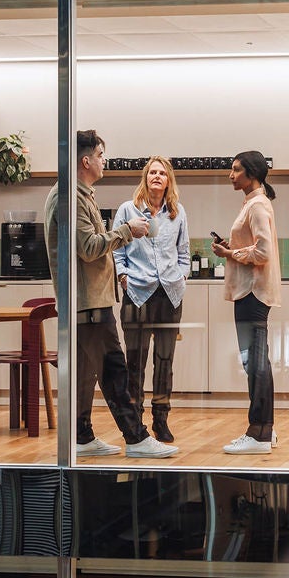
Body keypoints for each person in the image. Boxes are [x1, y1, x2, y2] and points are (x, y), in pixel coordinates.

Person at [45, 131, 177, 459]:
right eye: (101, 155)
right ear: (85, 160)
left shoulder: (79, 194)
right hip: (87, 302)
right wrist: (126, 232)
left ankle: (82, 435)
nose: (105, 160)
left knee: (85, 375)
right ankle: (136, 437)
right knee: (115, 370)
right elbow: (89, 248)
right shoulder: (69, 198)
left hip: (89, 300)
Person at [114, 156, 191, 443]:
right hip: (137, 294)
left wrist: (182, 277)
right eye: (152, 172)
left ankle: (161, 419)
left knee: (165, 360)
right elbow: (117, 250)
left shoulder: (177, 212)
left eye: (162, 173)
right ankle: (135, 423)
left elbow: (184, 252)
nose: (156, 176)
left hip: (170, 295)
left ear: (168, 180)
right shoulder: (127, 210)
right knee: (135, 360)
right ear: (145, 178)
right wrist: (123, 277)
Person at [215, 150, 280, 455]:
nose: (231, 175)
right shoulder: (254, 203)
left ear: (251, 174)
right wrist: (235, 248)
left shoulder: (256, 205)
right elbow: (254, 246)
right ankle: (265, 429)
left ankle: (259, 433)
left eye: (236, 170)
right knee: (256, 362)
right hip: (250, 292)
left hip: (252, 293)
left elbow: (263, 252)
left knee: (255, 364)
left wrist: (230, 254)